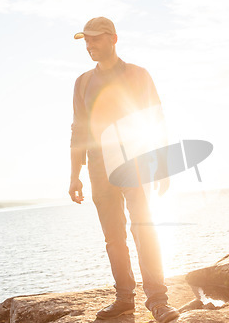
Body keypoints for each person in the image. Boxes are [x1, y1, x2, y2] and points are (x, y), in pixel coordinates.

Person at [68, 17, 179, 322]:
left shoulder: (138, 75)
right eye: (86, 41)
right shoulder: (82, 82)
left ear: (114, 39)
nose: (89, 46)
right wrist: (74, 174)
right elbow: (79, 130)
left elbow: (156, 120)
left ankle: (158, 300)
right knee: (113, 237)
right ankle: (124, 299)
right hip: (99, 169)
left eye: (96, 39)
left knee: (144, 229)